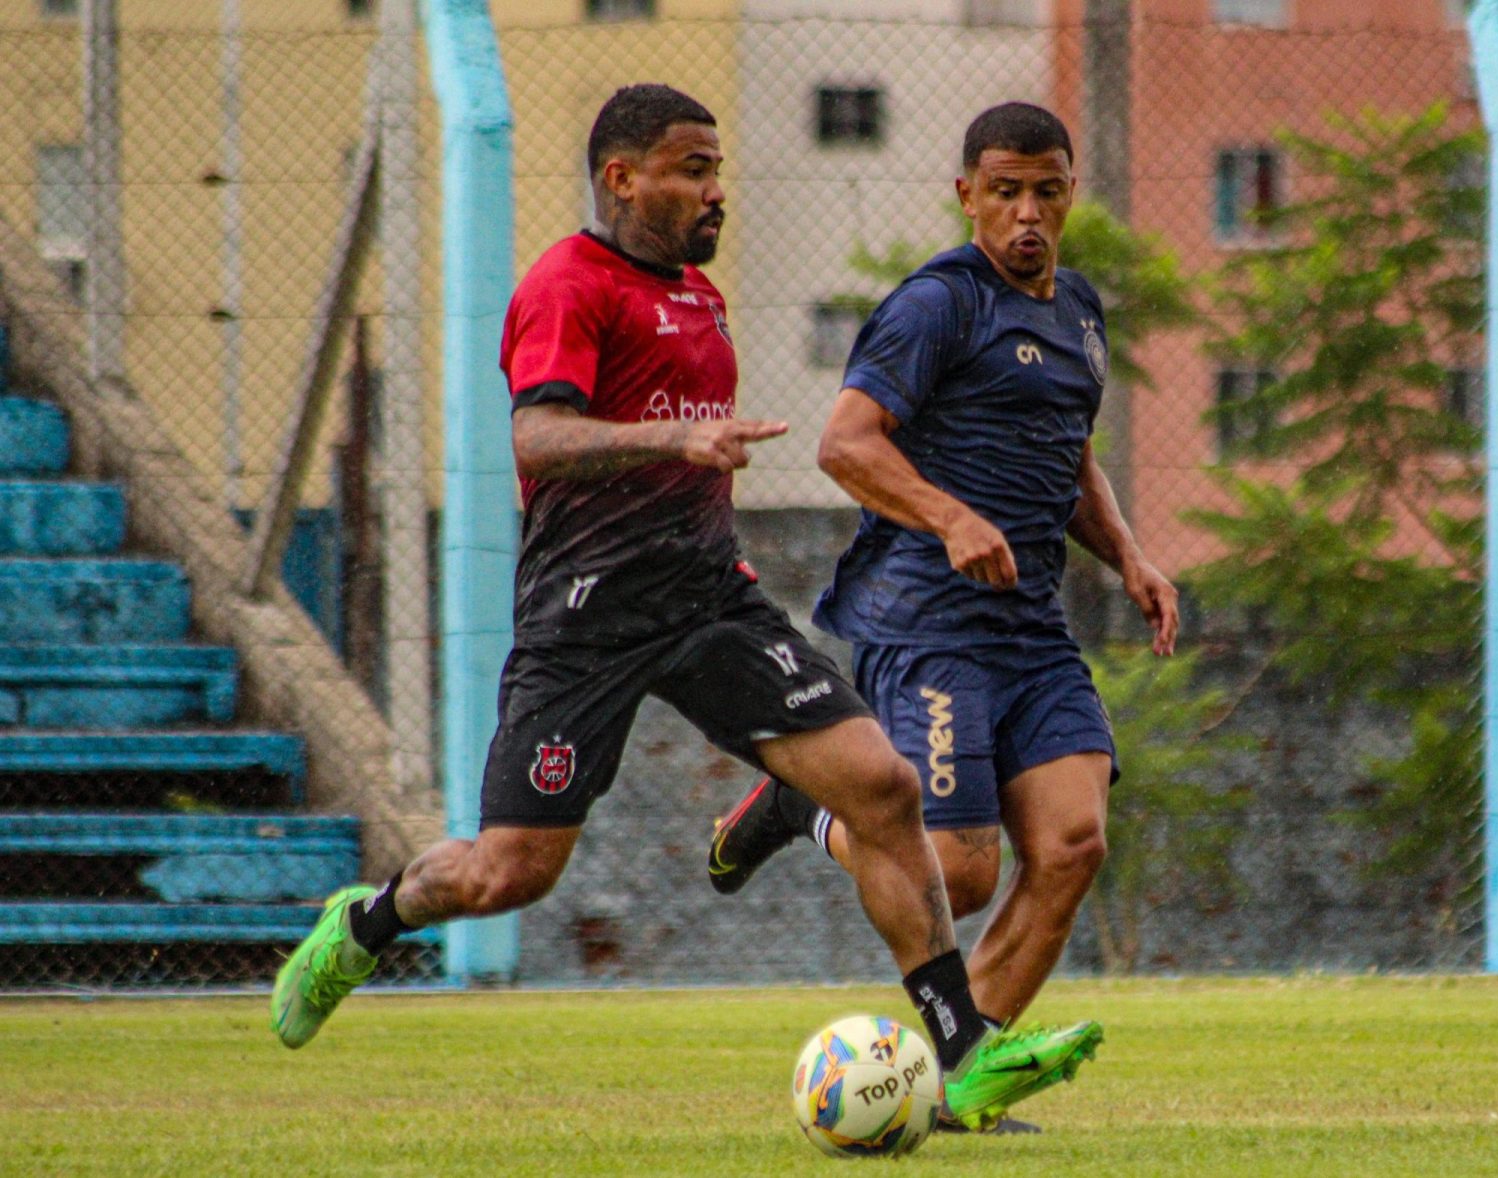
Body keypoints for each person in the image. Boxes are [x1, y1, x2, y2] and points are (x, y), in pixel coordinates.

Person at [270, 84, 1100, 1128]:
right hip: (587, 620)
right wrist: (673, 439)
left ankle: (962, 1044)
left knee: (884, 787)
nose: (716, 190)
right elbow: (536, 438)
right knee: (506, 872)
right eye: (692, 169)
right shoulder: (568, 285)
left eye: (718, 169)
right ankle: (369, 919)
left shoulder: (699, 295)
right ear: (624, 177)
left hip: (712, 601)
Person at [706, 101, 1179, 1129]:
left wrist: (1131, 555)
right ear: (966, 194)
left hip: (1030, 628)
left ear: (1069, 193)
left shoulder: (1081, 312)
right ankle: (807, 807)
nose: (1026, 214)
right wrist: (950, 513)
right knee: (960, 873)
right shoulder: (937, 305)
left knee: (1073, 843)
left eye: (1046, 191)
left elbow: (1069, 449)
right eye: (1003, 191)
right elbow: (846, 442)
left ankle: (959, 1082)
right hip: (927, 620)